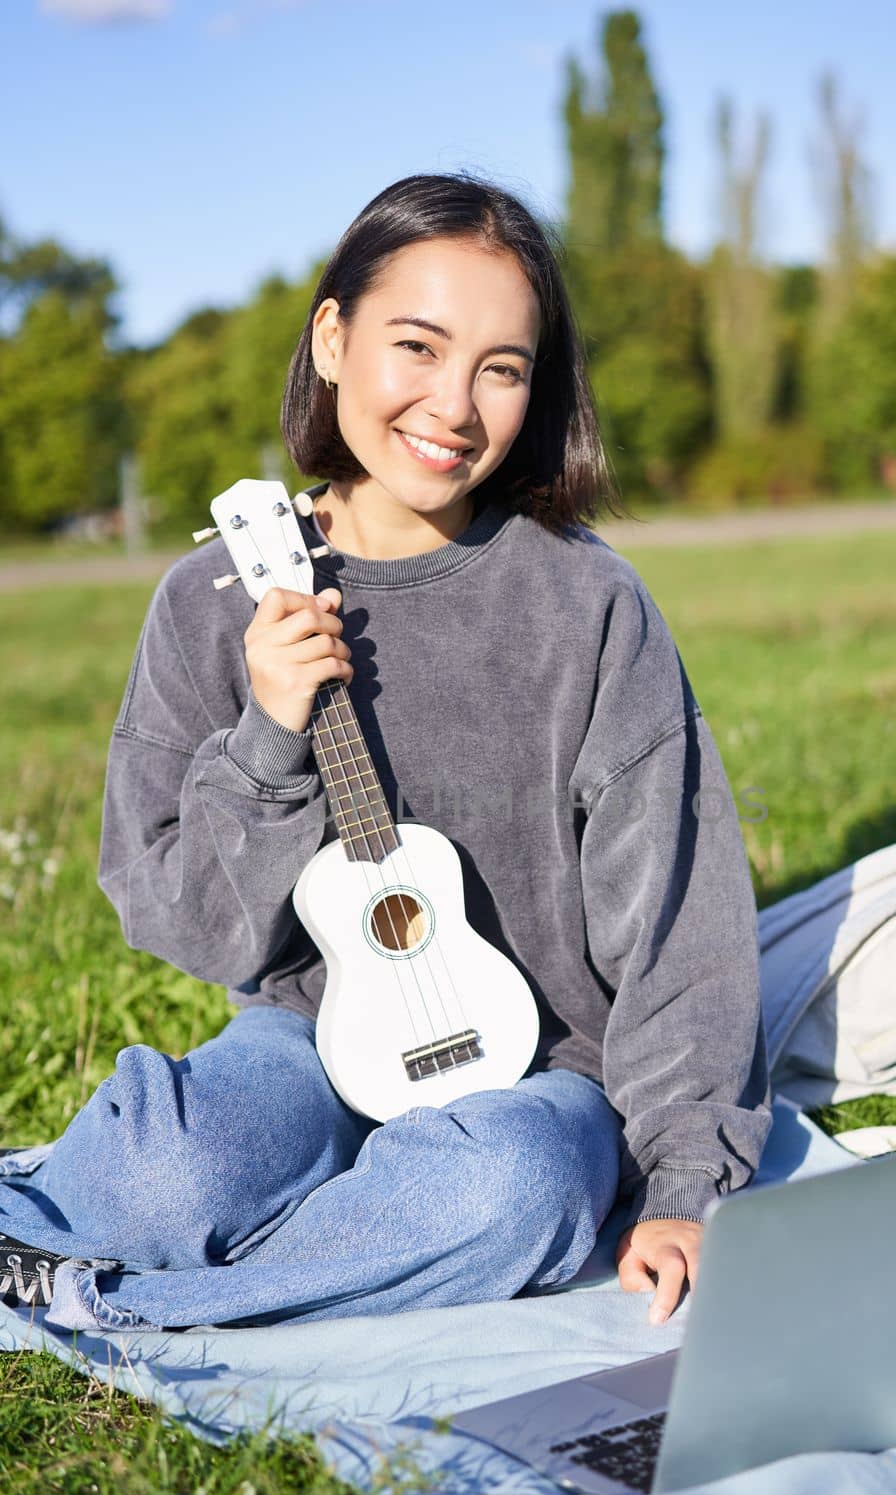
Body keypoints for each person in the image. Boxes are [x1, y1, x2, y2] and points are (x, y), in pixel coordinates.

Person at [0, 172, 771, 1334]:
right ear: (332, 336)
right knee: (169, 1168)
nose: (453, 405)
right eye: (417, 345)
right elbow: (184, 922)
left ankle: (137, 1300)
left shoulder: (586, 605)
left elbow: (676, 919)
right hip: (308, 1040)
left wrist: (683, 1182)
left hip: (538, 1073)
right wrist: (266, 736)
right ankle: (273, 1238)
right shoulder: (212, 599)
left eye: (500, 368)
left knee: (514, 1192)